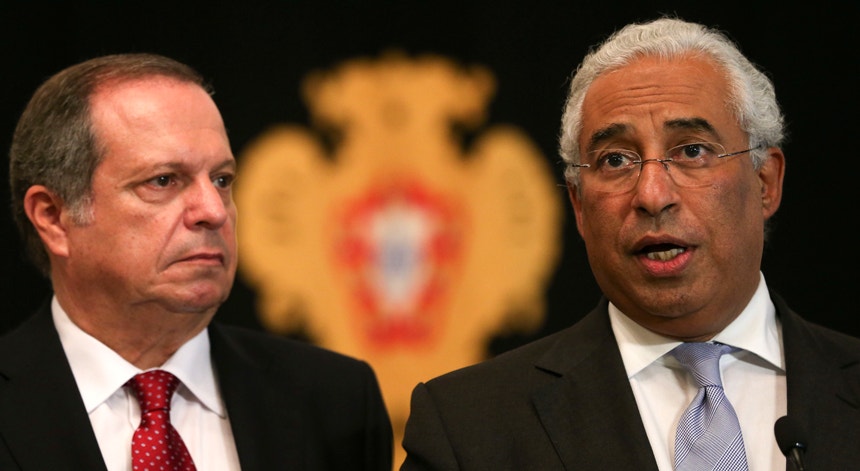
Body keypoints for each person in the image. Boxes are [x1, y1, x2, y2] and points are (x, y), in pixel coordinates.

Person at [400, 16, 860, 470]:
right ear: (579, 205)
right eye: (616, 160)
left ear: (765, 182)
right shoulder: (467, 429)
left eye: (692, 150)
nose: (652, 195)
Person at [0, 53, 392, 471]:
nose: (214, 211)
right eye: (163, 180)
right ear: (53, 217)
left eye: (222, 180)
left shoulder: (336, 401)